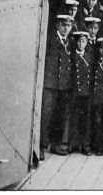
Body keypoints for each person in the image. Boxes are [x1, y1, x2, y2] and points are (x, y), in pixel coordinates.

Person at [40, 14, 74, 159]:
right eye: (63, 25)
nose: (66, 28)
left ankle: (56, 145)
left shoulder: (71, 42)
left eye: (69, 26)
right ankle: (41, 146)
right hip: (50, 84)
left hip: (64, 85)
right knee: (46, 115)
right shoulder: (50, 40)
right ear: (58, 25)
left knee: (60, 116)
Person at [69, 30, 94, 155]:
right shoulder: (72, 56)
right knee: (74, 118)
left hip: (86, 92)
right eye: (78, 41)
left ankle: (85, 145)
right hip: (74, 92)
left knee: (86, 119)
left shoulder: (90, 57)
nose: (80, 44)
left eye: (83, 41)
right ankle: (73, 144)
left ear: (87, 43)